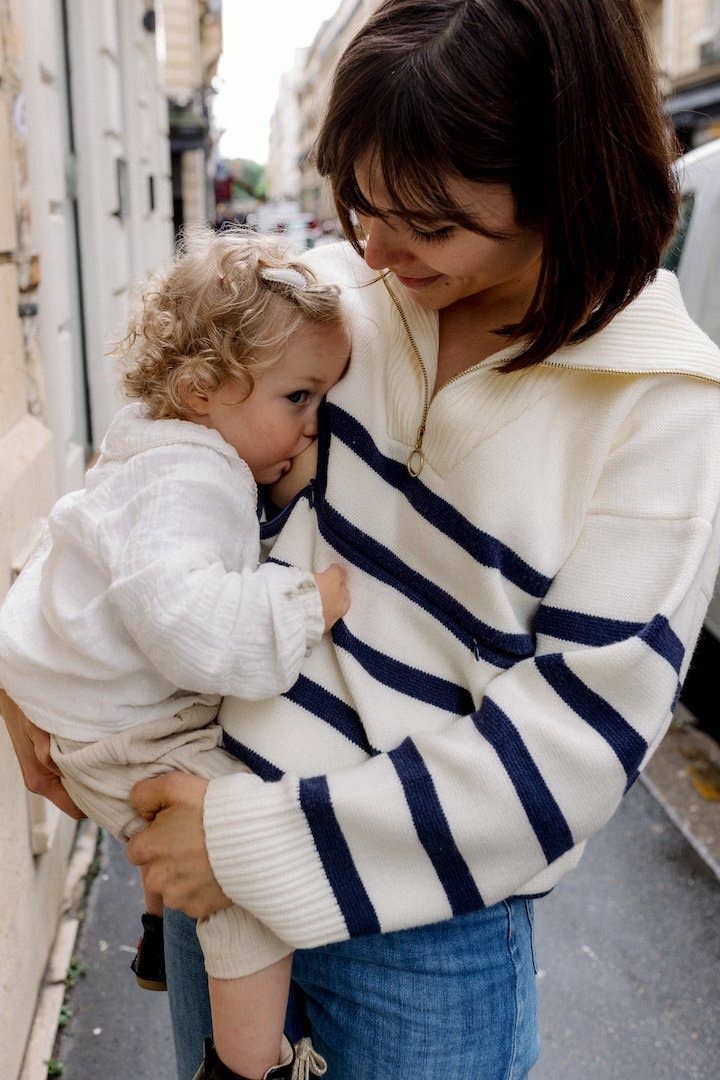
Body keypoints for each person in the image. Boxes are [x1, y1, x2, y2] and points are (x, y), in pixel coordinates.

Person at [6, 1, 720, 1077]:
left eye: (426, 221)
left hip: (416, 939)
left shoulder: (662, 407)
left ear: (568, 180)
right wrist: (29, 670)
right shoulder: (335, 305)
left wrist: (241, 844)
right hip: (201, 856)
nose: (375, 248)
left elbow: (571, 749)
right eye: (358, 200)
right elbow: (149, 480)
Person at [0, 229, 351, 1080]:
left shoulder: (154, 442)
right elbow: (192, 630)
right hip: (120, 734)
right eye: (298, 398)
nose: (313, 426)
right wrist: (308, 603)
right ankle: (247, 1067)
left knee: (194, 802)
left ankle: (159, 932)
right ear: (200, 389)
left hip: (85, 712)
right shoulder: (192, 482)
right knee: (242, 872)